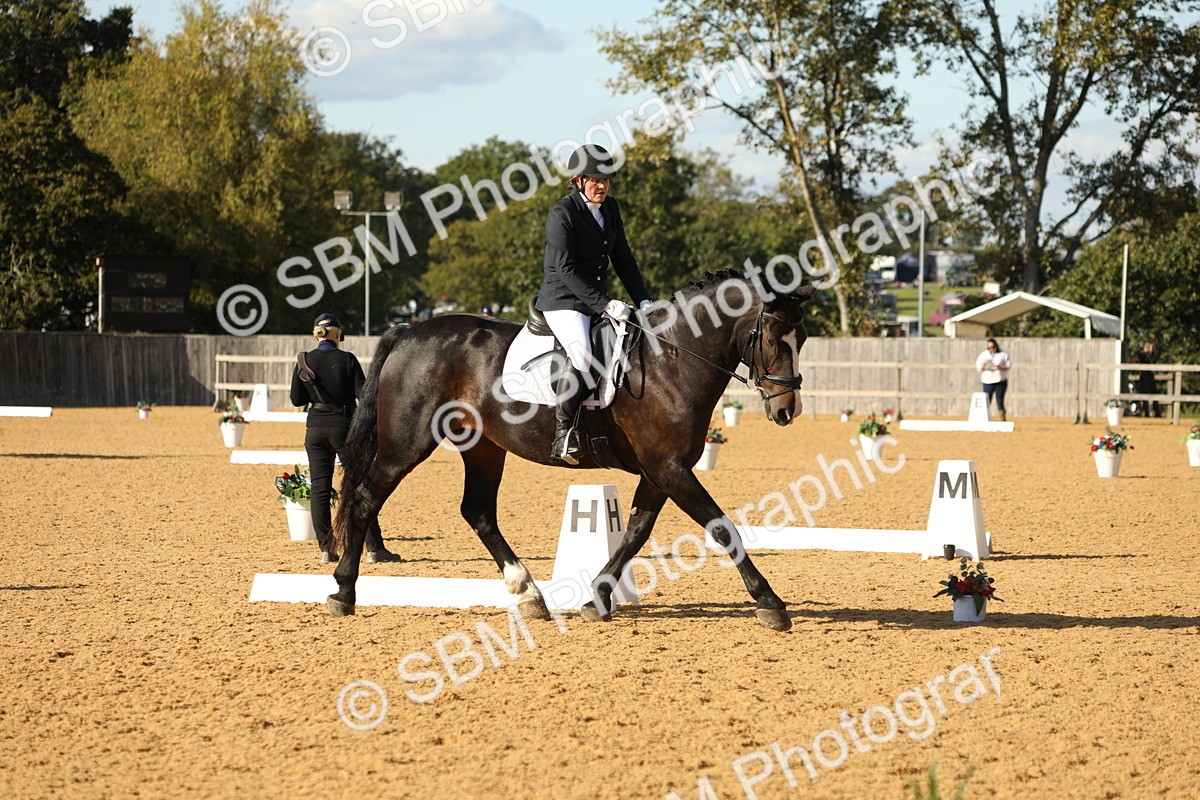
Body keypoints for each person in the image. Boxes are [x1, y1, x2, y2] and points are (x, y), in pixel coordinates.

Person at [538, 143, 653, 464]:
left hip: (594, 301)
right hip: (563, 300)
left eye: (606, 180)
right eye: (594, 179)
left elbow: (623, 258)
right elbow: (565, 269)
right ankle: (562, 434)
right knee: (583, 356)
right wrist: (604, 304)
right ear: (578, 181)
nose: (601, 185)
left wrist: (643, 300)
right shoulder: (563, 213)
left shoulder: (610, 209)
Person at [290, 312, 402, 564]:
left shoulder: (303, 361)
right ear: (338, 335)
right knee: (360, 485)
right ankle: (374, 548)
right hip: (344, 427)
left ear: (315, 335)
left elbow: (297, 400)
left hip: (315, 428)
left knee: (320, 487)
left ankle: (326, 548)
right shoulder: (347, 359)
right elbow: (364, 397)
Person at [975, 337, 1011, 421]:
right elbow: (979, 368)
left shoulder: (1004, 354)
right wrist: (984, 366)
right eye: (989, 348)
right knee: (987, 402)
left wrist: (998, 367)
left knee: (1000, 401)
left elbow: (1008, 366)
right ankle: (983, 420)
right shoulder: (984, 355)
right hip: (988, 381)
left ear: (997, 345)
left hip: (1001, 381)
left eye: (993, 347)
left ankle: (1002, 420)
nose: (991, 349)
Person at [1133, 341, 1159, 417]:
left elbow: (1153, 362)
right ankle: (1147, 413)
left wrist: (1151, 352)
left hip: (1150, 375)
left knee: (1154, 393)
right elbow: (1134, 360)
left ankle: (1157, 412)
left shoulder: (1153, 355)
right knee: (1145, 393)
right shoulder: (1141, 354)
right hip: (1144, 376)